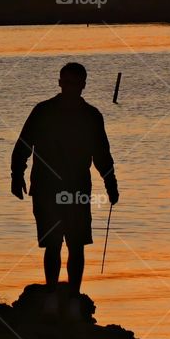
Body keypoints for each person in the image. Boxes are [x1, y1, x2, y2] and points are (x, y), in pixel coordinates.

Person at [11, 62, 119, 319]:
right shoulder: (43, 111)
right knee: (52, 243)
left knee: (76, 244)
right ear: (59, 83)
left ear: (83, 84)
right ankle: (50, 294)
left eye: (73, 82)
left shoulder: (92, 116)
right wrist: (17, 175)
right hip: (45, 188)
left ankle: (72, 298)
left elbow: (102, 155)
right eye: (64, 81)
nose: (68, 87)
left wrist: (111, 183)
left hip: (77, 188)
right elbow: (23, 144)